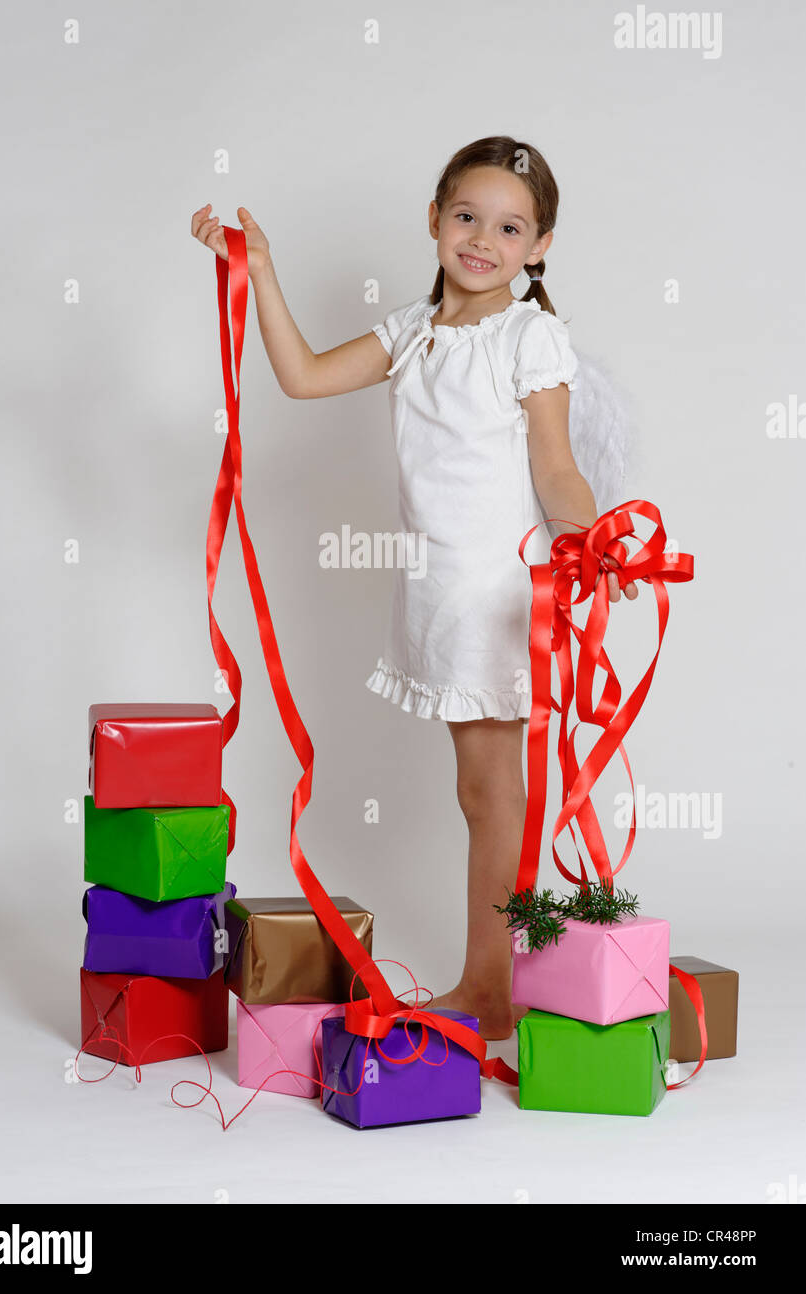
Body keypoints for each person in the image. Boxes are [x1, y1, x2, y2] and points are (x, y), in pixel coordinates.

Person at [191, 134, 636, 1040]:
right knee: (480, 792)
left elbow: (554, 467)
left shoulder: (529, 336)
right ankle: (494, 980)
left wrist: (588, 538)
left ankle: (489, 989)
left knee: (490, 792)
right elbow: (303, 375)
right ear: (433, 220)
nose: (482, 240)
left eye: (509, 228)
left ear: (538, 245)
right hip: (435, 592)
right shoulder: (410, 331)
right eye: (466, 217)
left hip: (499, 593)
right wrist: (261, 271)